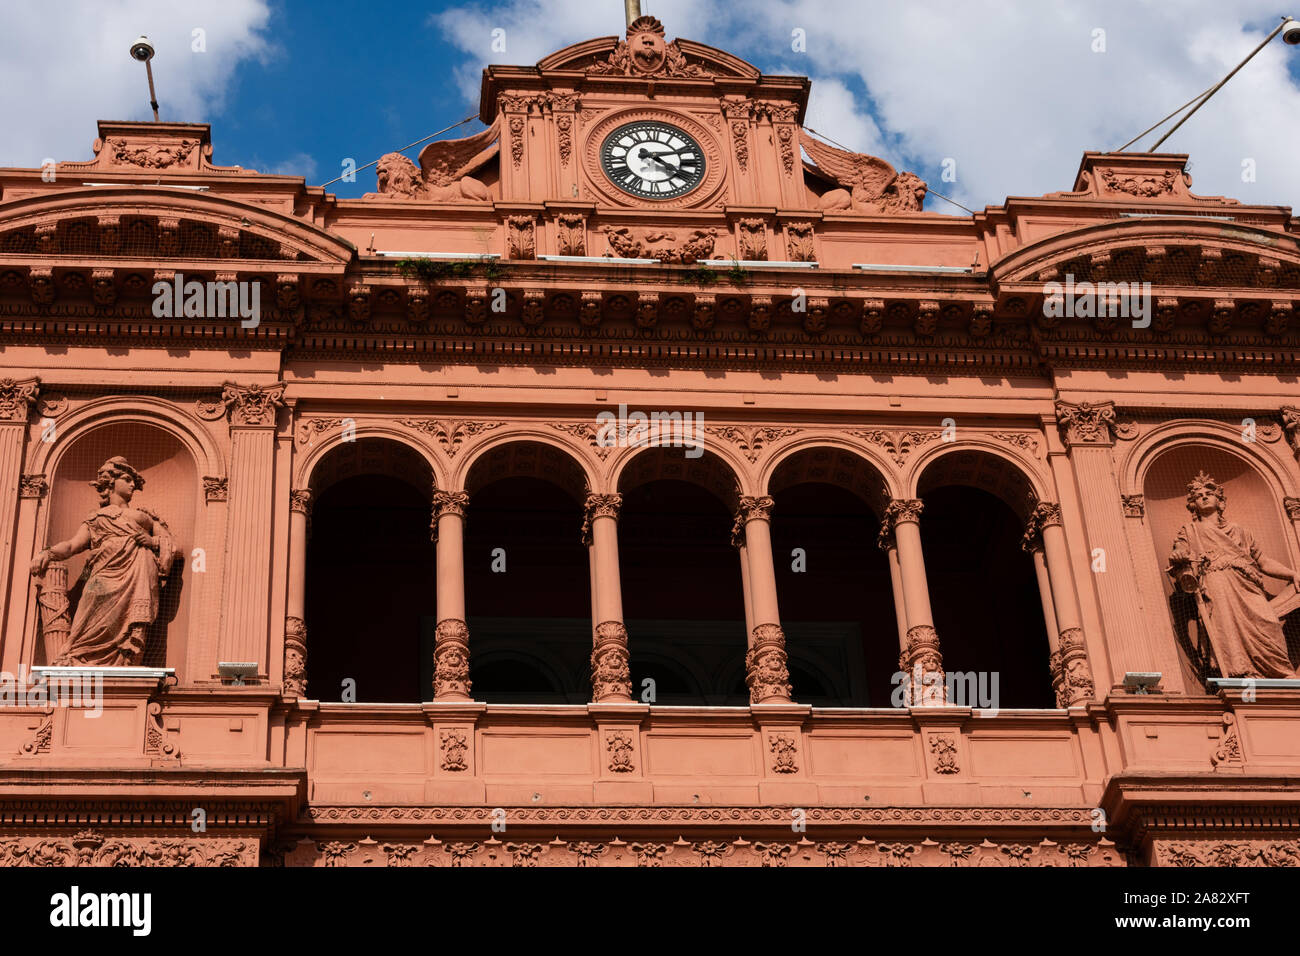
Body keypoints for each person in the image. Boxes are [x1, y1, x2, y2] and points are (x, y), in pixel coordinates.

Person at [30, 457, 175, 666]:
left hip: (137, 575)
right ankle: (77, 655)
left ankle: (127, 663)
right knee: (88, 608)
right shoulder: (96, 518)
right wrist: (47, 553)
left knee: (133, 621)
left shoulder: (145, 517)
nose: (133, 485)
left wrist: (152, 541)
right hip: (104, 574)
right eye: (127, 479)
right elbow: (72, 546)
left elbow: (173, 547)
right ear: (112, 482)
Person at [1169, 471, 1300, 679]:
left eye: (1209, 493)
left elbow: (1263, 561)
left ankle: (1280, 670)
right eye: (1198, 495)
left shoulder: (1240, 531)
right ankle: (1242, 672)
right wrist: (1179, 554)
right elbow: (1180, 550)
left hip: (1247, 584)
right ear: (1193, 504)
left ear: (1220, 501)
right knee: (1227, 626)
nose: (1203, 496)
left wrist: (1292, 574)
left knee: (1268, 622)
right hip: (1217, 583)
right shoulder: (1191, 530)